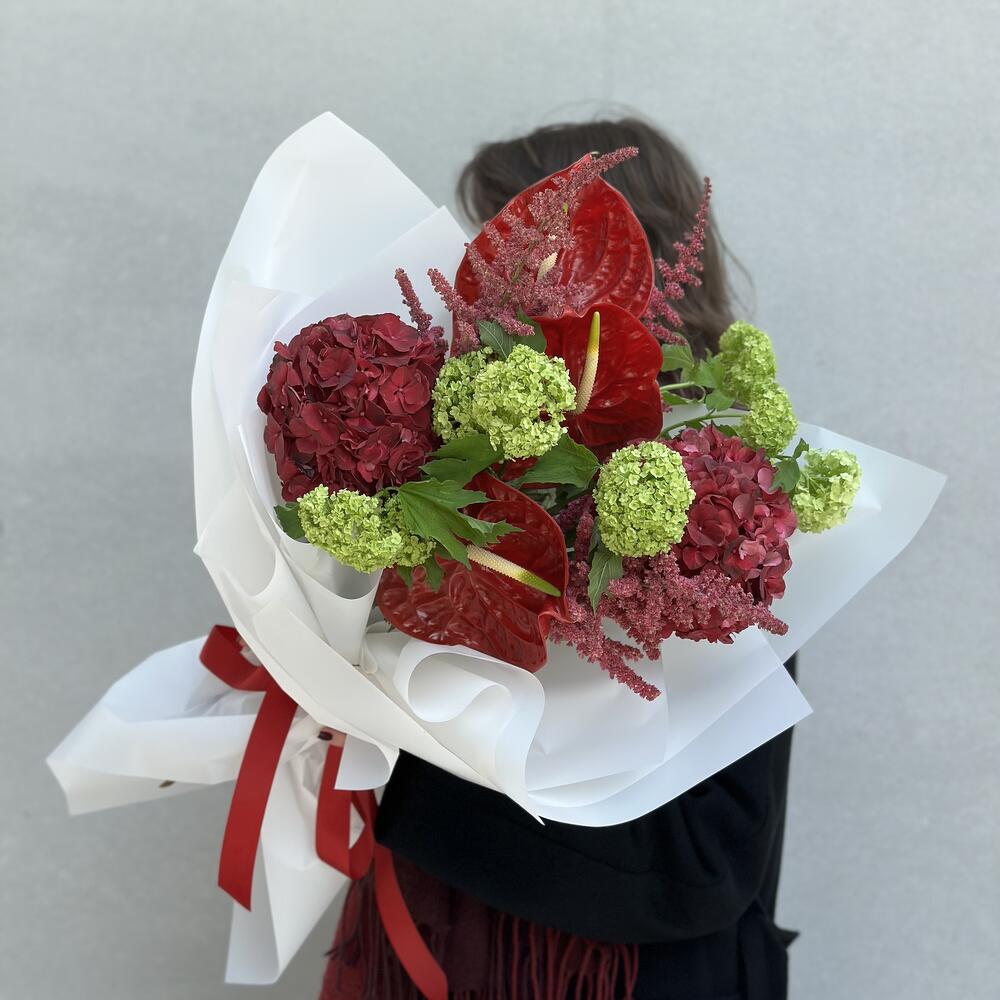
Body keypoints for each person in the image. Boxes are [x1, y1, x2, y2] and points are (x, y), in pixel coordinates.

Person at [320, 117, 797, 1000]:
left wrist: (414, 776)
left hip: (603, 973)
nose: (474, 288)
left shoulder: (722, 514)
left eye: (501, 251)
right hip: (439, 935)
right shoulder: (457, 475)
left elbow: (701, 864)